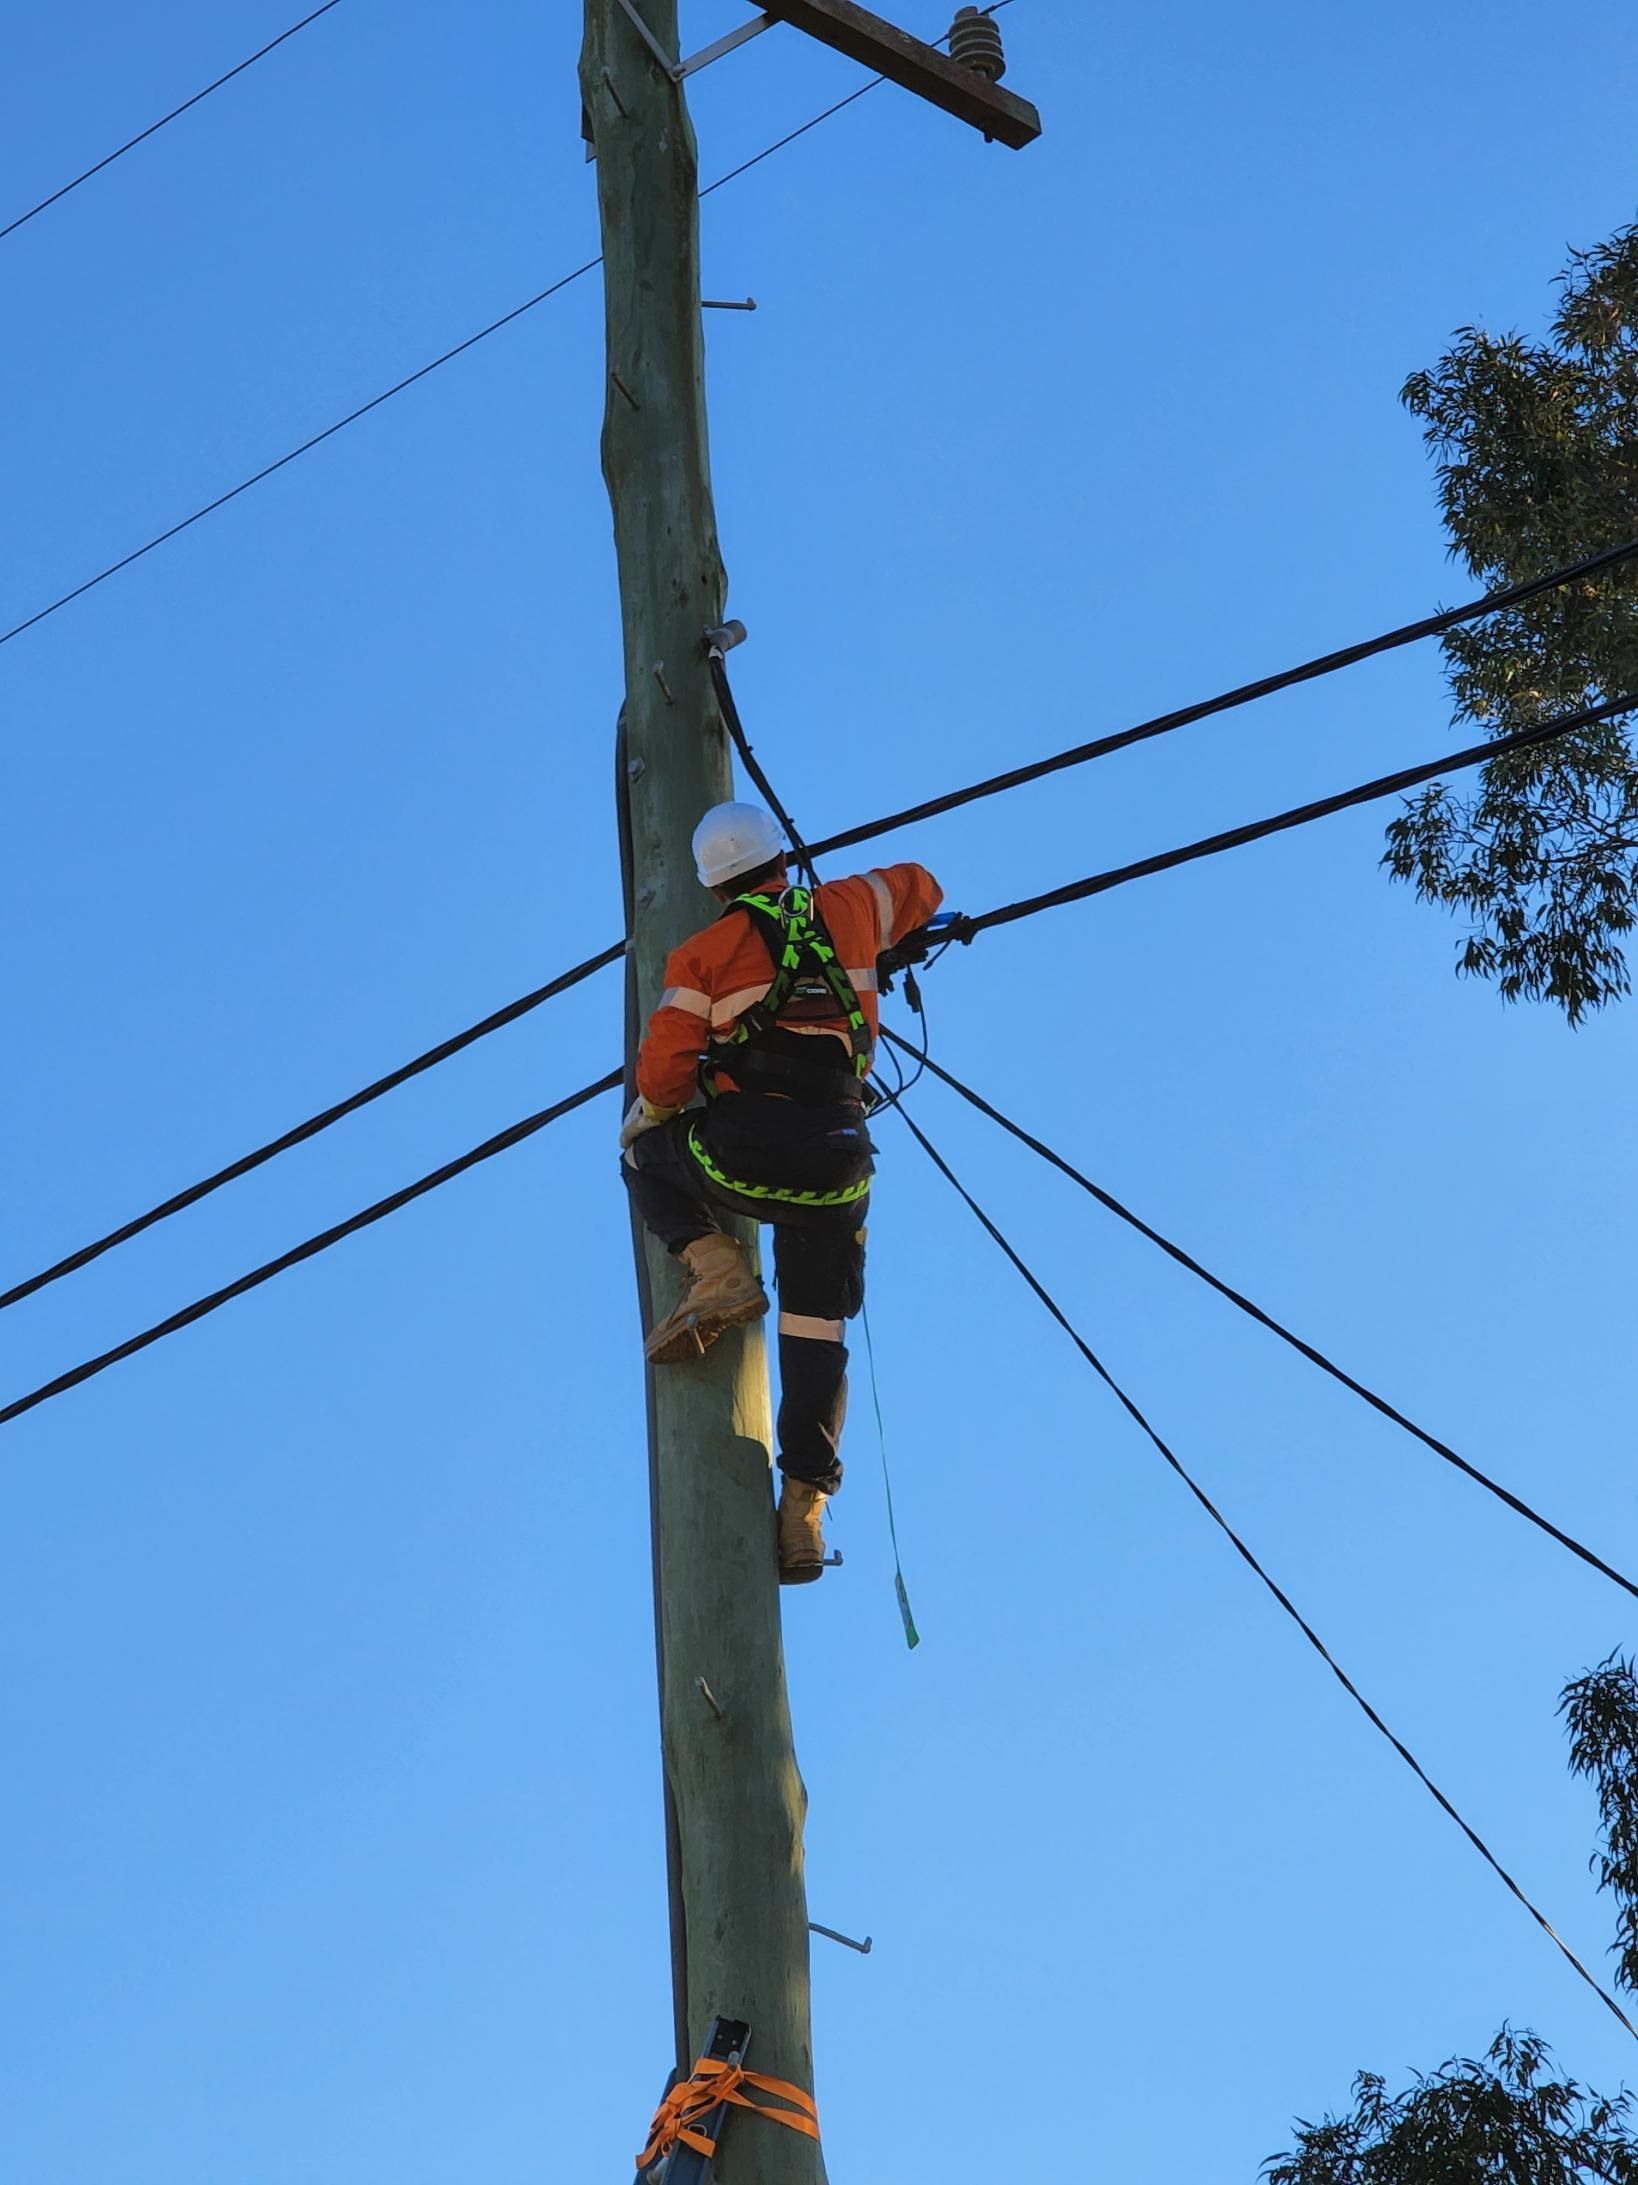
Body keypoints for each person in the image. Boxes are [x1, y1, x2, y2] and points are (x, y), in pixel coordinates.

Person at [621, 801, 942, 1584]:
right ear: (780, 860)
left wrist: (653, 1112)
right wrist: (880, 939)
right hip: (838, 1168)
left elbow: (661, 1078)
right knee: (816, 1328)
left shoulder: (701, 956)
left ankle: (717, 1269)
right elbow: (923, 887)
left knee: (640, 1155)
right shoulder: (854, 905)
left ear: (714, 886)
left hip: (747, 1155)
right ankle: (803, 1509)